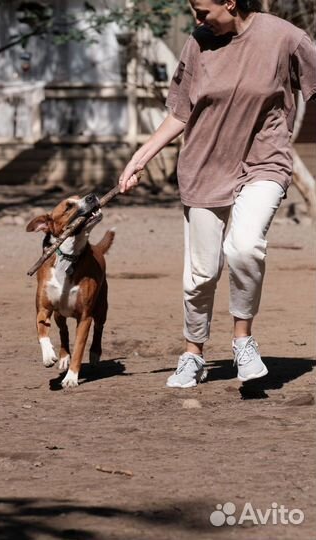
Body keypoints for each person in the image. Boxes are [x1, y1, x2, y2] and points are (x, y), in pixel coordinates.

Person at [119, 0, 316, 388]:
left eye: (202, 10)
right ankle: (193, 353)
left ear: (230, 2)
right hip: (204, 168)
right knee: (201, 275)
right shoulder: (199, 42)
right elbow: (180, 113)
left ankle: (243, 340)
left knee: (245, 247)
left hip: (264, 163)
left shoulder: (286, 38)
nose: (196, 19)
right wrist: (139, 158)